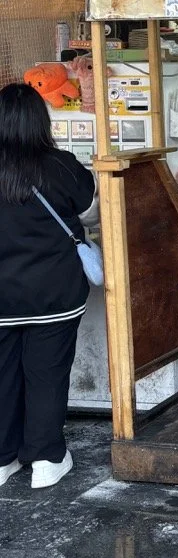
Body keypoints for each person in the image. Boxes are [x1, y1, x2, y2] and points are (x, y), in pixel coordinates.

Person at [0, 83, 97, 489]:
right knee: (46, 373)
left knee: (3, 375)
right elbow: (91, 210)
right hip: (54, 295)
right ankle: (46, 459)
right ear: (42, 121)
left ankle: (3, 460)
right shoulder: (62, 166)